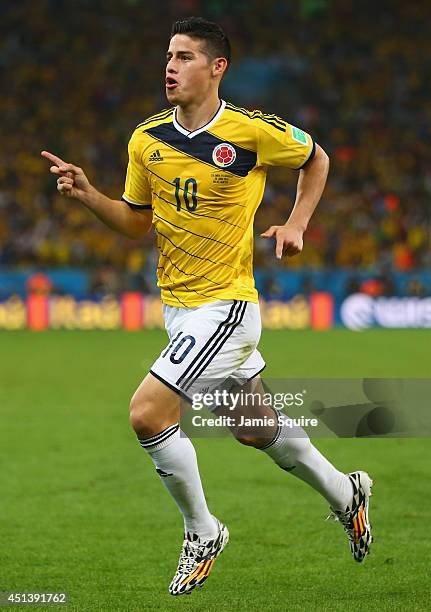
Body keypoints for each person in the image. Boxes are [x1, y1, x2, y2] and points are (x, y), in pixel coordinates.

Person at [42, 16, 373, 597]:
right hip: (179, 305)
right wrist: (90, 193)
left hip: (226, 305)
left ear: (217, 68)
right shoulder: (146, 140)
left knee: (148, 413)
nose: (170, 66)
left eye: (185, 56)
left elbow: (316, 159)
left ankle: (203, 530)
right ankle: (349, 493)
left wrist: (296, 224)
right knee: (253, 429)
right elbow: (134, 224)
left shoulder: (249, 132)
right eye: (168, 55)